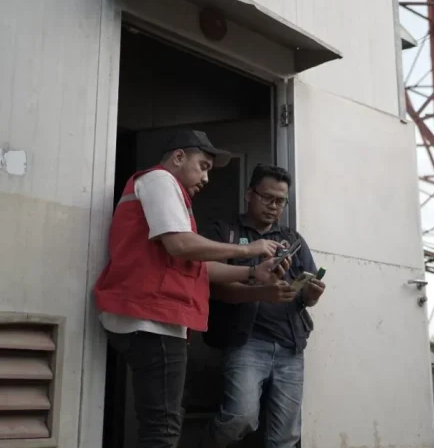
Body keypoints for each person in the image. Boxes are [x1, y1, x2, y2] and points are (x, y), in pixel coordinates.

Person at [93, 131, 289, 448]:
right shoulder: (161, 180)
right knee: (162, 431)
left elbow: (198, 265)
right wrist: (246, 249)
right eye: (203, 166)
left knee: (161, 425)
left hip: (152, 320)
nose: (207, 177)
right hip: (153, 320)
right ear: (179, 157)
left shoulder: (172, 197)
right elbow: (181, 245)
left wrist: (254, 272)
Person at [199, 164, 326, 448]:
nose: (274, 206)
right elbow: (213, 287)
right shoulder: (226, 232)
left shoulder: (293, 239)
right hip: (246, 343)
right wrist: (261, 292)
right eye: (267, 198)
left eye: (280, 201)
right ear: (249, 194)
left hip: (290, 346)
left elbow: (307, 298)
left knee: (286, 437)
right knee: (239, 418)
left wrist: (312, 293)